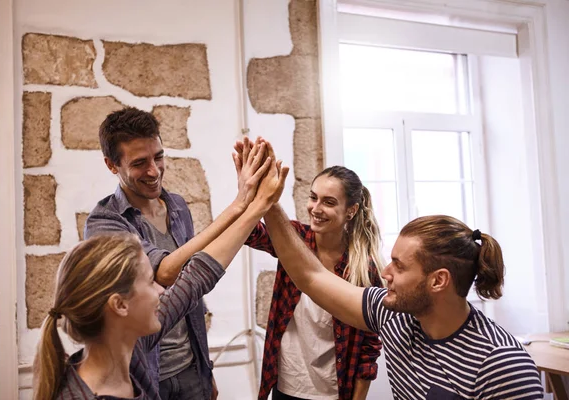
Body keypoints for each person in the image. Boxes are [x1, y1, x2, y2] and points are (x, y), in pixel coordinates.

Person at [33, 141, 289, 400]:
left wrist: (255, 204)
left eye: (158, 158)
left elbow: (197, 277)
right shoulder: (105, 219)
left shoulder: (131, 346)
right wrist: (247, 204)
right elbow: (172, 274)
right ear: (119, 304)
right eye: (149, 282)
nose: (161, 290)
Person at [260, 200, 544, 399]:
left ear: (438, 280)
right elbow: (311, 277)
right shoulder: (393, 315)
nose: (385, 273)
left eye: (399, 265)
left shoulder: (502, 364)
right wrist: (269, 204)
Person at [84, 107, 271, 400]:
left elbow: (190, 293)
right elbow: (166, 273)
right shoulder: (104, 223)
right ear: (112, 165)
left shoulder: (178, 206)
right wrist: (240, 204)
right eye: (139, 163)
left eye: (158, 157)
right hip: (144, 375)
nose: (154, 170)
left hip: (190, 368)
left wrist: (205, 368)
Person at [237, 148, 384, 399]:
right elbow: (249, 232)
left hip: (334, 391)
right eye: (313, 197)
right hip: (285, 385)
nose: (315, 208)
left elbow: (369, 350)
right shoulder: (294, 240)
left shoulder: (363, 268)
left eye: (328, 202)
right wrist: (249, 189)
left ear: (351, 210)